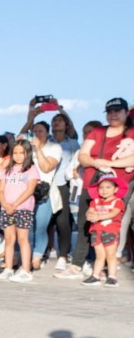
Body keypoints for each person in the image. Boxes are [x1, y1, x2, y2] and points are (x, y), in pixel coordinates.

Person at [55, 98, 134, 281]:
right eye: (109, 111)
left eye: (117, 111)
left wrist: (110, 163)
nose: (113, 115)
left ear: (125, 113)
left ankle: (108, 267)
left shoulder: (131, 132)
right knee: (85, 221)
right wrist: (96, 162)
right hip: (93, 183)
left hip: (119, 185)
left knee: (112, 224)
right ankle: (77, 264)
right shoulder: (98, 131)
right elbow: (83, 155)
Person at [19, 101, 63, 271]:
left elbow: (46, 167)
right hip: (24, 190)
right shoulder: (27, 145)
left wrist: (37, 150)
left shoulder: (55, 147)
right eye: (35, 131)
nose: (37, 133)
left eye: (41, 131)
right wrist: (32, 117)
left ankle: (37, 257)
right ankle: (28, 254)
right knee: (25, 227)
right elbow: (20, 136)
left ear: (47, 132)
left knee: (41, 225)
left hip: (44, 192)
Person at [0, 140, 40, 282]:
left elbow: (30, 190)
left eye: (22, 153)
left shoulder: (31, 169)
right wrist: (5, 204)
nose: (18, 156)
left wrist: (14, 204)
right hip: (6, 209)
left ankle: (26, 270)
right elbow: (1, 189)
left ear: (28, 153)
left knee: (23, 239)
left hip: (23, 208)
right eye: (15, 152)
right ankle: (8, 268)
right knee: (9, 239)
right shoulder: (6, 170)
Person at [48, 107, 79, 270]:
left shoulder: (73, 143)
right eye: (54, 120)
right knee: (46, 222)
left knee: (63, 222)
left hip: (63, 185)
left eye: (60, 120)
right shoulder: (46, 140)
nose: (56, 122)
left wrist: (61, 110)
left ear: (66, 125)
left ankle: (63, 255)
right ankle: (47, 250)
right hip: (47, 185)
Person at [82, 174, 126, 287]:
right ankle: (96, 276)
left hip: (110, 231)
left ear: (115, 189)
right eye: (101, 187)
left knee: (111, 255)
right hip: (96, 232)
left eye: (108, 187)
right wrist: (89, 215)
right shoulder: (95, 201)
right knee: (99, 255)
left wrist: (98, 217)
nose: (104, 190)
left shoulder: (117, 202)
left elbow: (114, 213)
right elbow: (89, 211)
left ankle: (112, 277)